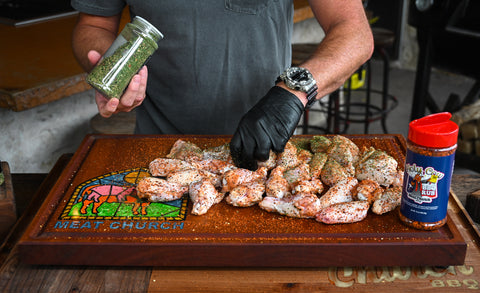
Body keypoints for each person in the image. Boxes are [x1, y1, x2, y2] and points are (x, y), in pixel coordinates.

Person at [71, 0, 373, 170]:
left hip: (264, 154)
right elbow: (94, 25)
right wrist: (112, 67)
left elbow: (354, 32)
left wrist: (294, 91)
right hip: (161, 154)